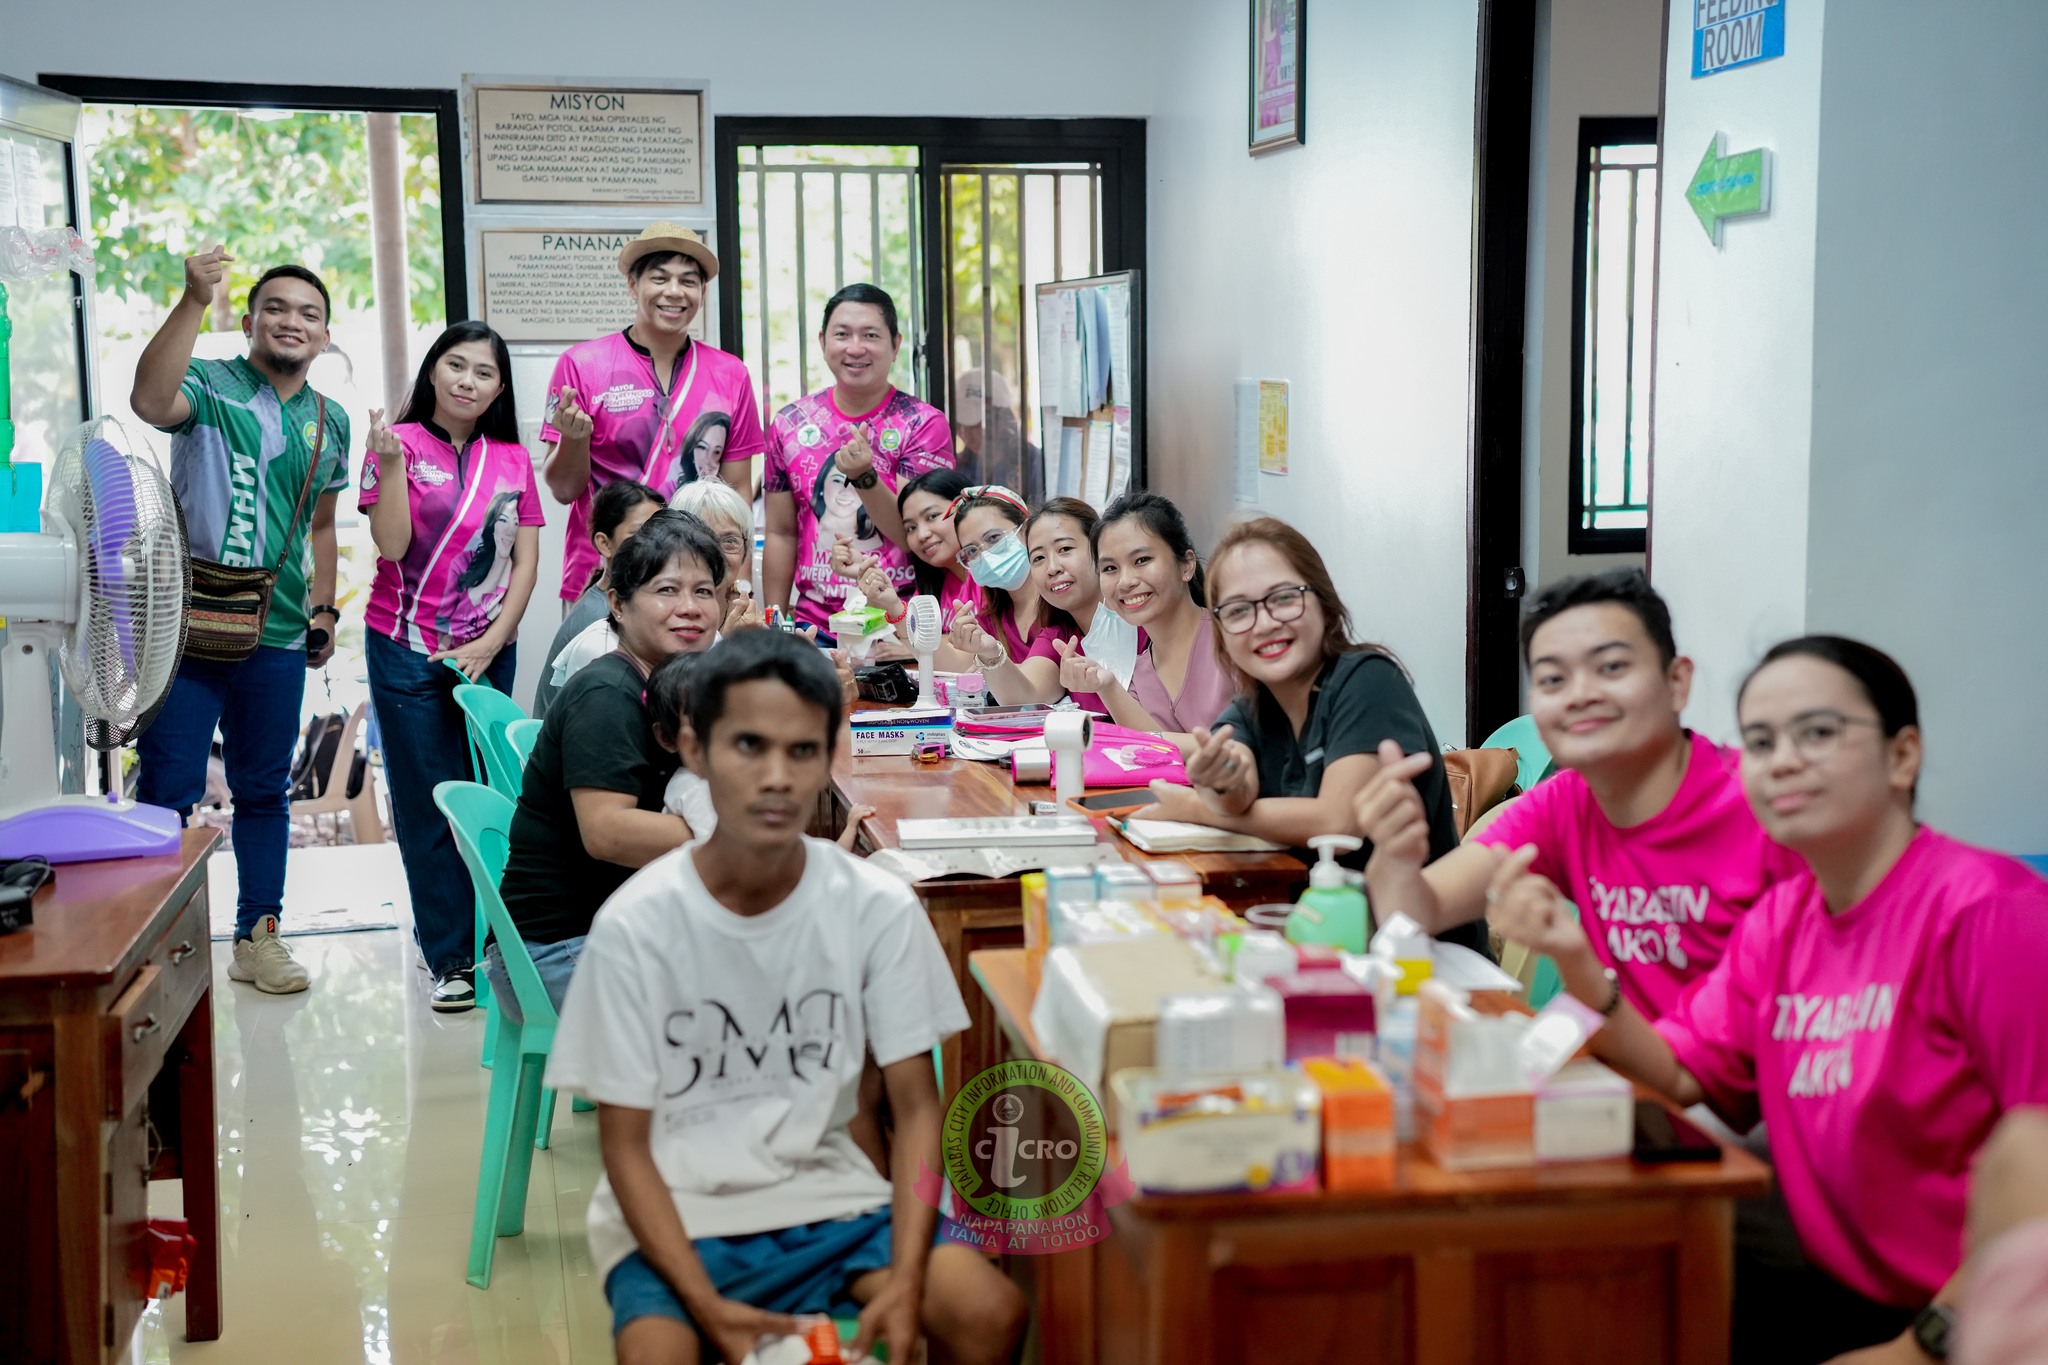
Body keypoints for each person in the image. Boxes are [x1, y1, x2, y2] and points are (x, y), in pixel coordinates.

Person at [1486, 637, 2048, 1364]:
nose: (1781, 760)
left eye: (1817, 733)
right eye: (1758, 740)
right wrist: (1576, 959)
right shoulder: (1780, 923)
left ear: (1903, 756)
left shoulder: (1988, 911)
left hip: (1965, 1322)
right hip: (1831, 1289)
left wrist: (1923, 1346)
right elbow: (1682, 1072)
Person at [544, 630, 1028, 1365]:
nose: (776, 776)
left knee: (989, 1311)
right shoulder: (635, 927)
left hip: (829, 1197)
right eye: (748, 746)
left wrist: (903, 1278)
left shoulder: (876, 907)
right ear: (696, 751)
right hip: (683, 1208)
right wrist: (707, 1308)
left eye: (803, 751)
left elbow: (918, 1105)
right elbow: (627, 1149)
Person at [1353, 569, 1804, 1019]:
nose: (1580, 694)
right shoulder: (1565, 803)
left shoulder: (1765, 803)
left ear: (1677, 682)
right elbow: (1420, 911)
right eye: (1553, 680)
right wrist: (1393, 854)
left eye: (1611, 667)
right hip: (1628, 1070)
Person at [129, 246, 350, 995]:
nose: (294, 321)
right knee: (169, 784)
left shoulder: (331, 419)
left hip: (279, 634)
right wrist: (192, 299)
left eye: (310, 314)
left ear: (325, 335)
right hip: (184, 627)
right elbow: (151, 404)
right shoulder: (211, 383)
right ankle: (152, 940)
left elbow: (323, 525)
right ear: (251, 319)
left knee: (263, 789)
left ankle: (260, 936)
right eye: (279, 308)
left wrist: (323, 606)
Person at [1135, 517, 1487, 954]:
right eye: (1239, 611)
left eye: (1283, 599)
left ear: (1323, 601)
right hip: (1323, 943)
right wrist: (1220, 783)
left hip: (1423, 959)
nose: (1264, 623)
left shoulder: (1367, 681)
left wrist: (1196, 808)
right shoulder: (1253, 706)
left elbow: (1338, 822)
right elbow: (1237, 788)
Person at [359, 321, 542, 1012]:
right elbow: (393, 543)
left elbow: (524, 562)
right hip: (405, 646)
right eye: (455, 365)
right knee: (429, 803)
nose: (468, 380)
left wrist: (494, 641)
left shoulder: (513, 459)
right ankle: (450, 958)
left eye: (484, 372)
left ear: (499, 386)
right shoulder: (395, 445)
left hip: (488, 648)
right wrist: (391, 466)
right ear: (433, 371)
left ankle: (499, 946)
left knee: (491, 801)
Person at [486, 513, 727, 1021]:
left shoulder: (667, 689)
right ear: (617, 603)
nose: (690, 608)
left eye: (705, 592)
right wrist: (734, 841)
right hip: (554, 952)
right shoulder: (609, 695)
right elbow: (608, 833)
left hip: (603, 932)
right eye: (667, 590)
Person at [539, 223, 764, 605]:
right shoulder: (582, 365)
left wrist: (737, 583)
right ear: (633, 285)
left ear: (702, 292)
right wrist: (574, 439)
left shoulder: (731, 374)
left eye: (688, 281)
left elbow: (737, 490)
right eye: (660, 278)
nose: (675, 292)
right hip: (605, 576)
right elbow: (563, 490)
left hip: (699, 580)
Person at [762, 283, 954, 638]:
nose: (855, 348)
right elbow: (780, 531)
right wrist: (775, 625)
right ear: (822, 342)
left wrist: (864, 476)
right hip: (813, 626)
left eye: (870, 335)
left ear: (895, 345)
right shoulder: (790, 423)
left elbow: (916, 533)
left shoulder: (922, 424)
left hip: (901, 623)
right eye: (842, 334)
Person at [1062, 491, 1234, 749]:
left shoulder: (1233, 640)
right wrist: (1105, 685)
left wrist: (1151, 741)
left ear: (1186, 565)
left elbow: (1244, 748)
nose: (1126, 581)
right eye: (1110, 568)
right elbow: (1147, 753)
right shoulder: (1138, 671)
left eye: (1142, 560)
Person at [948, 498, 1128, 712]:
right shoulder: (1059, 636)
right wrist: (989, 652)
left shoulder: (1141, 621)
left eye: (1065, 548)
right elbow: (1026, 695)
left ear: (1099, 548)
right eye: (1039, 558)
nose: (1052, 568)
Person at [535, 480, 665, 719]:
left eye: (659, 533)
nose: (655, 546)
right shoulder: (598, 618)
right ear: (605, 543)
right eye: (639, 534)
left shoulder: (613, 602)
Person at [831, 468, 976, 664]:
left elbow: (982, 649)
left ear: (967, 508)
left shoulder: (991, 579)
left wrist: (913, 646)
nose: (922, 534)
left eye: (932, 516)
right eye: (911, 528)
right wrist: (865, 572)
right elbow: (894, 633)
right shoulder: (932, 586)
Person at [942, 484, 1055, 669]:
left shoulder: (1062, 604)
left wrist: (994, 670)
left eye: (993, 538)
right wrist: (897, 611)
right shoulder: (991, 620)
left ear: (1027, 530)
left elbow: (1039, 684)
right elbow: (953, 664)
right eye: (971, 550)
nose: (985, 555)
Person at [669, 476, 762, 635]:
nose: (716, 553)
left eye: (729, 541)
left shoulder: (752, 623)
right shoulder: (664, 616)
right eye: (703, 539)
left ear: (744, 550)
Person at [953, 366, 1039, 494]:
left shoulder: (1032, 463)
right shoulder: (958, 468)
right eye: (960, 424)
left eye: (975, 424)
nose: (966, 433)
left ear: (1002, 418)